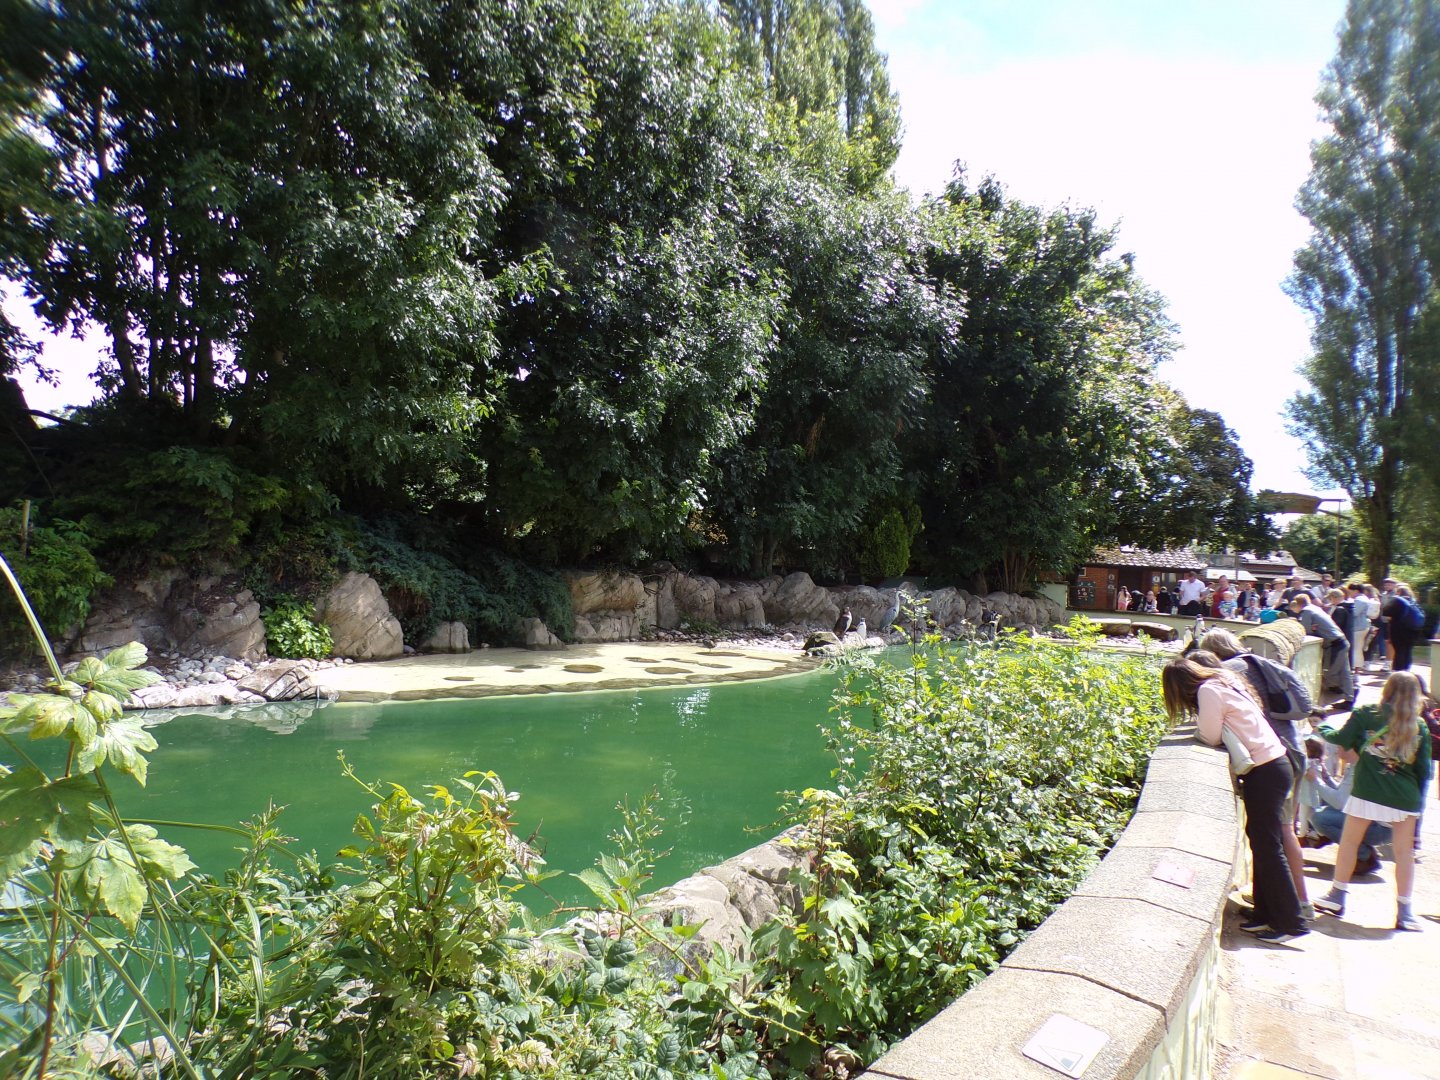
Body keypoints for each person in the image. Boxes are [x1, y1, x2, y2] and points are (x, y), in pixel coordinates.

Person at [1162, 655, 1308, 942]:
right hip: (1275, 764)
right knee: (1262, 841)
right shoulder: (1223, 681)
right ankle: (1266, 914)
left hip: (1264, 771)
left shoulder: (1208, 691)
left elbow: (1210, 735)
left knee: (1268, 846)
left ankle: (1292, 922)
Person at [1199, 629, 1314, 914]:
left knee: (1278, 833)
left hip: (1270, 755)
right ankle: (1273, 904)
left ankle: (1298, 904)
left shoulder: (1225, 673)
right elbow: (1305, 705)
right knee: (1282, 830)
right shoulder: (1262, 661)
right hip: (1292, 749)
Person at [1314, 671, 1432, 931]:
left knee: (1349, 843)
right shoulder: (1419, 726)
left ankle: (1337, 896)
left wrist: (1320, 724)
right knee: (1404, 854)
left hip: (1368, 790)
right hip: (1405, 797)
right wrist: (1418, 808)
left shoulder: (1367, 713)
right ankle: (1405, 911)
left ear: (1387, 690)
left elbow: (1339, 739)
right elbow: (1424, 771)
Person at [1301, 736, 1388, 875]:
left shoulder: (1359, 769)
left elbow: (1339, 802)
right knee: (1323, 810)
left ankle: (1365, 855)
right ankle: (1361, 848)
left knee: (1320, 818)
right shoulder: (1355, 765)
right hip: (1372, 823)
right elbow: (1341, 795)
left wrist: (1316, 780)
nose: (1336, 750)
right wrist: (1326, 777)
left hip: (1379, 829)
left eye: (1340, 746)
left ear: (1350, 749)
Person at [1290, 594, 1354, 707]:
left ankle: (1343, 693)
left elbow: (1305, 631)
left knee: (1329, 673)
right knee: (1344, 672)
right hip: (1341, 641)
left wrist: (1310, 628)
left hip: (1334, 645)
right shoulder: (1316, 608)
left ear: (1299, 604)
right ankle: (1349, 699)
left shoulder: (1306, 611)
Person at [1381, 582, 1423, 672]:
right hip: (1413, 629)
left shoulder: (1397, 600)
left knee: (1399, 650)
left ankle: (1398, 671)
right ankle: (1406, 669)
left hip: (1399, 629)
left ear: (1399, 592)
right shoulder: (1413, 602)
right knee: (1408, 650)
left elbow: (1386, 612)